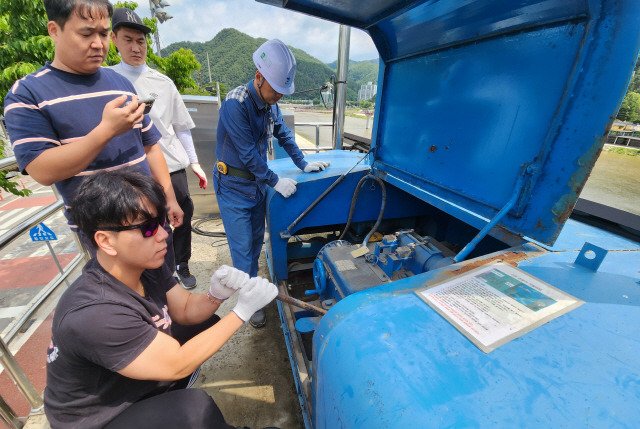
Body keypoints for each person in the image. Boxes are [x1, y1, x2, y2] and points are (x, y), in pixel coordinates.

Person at [44, 169, 278, 428]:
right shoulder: (95, 313)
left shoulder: (144, 267)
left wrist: (216, 295)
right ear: (106, 241)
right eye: (147, 228)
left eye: (162, 222)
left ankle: (161, 396)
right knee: (195, 409)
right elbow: (175, 364)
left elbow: (185, 310)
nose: (163, 234)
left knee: (206, 323)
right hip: (97, 419)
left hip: (127, 385)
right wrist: (242, 312)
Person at [3, 0, 183, 249]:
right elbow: (42, 170)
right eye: (86, 33)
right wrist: (106, 130)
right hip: (105, 238)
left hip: (153, 222)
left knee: (166, 286)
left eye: (103, 33)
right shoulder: (27, 93)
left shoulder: (120, 82)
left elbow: (150, 146)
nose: (98, 44)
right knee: (116, 289)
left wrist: (168, 198)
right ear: (54, 30)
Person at [215, 39, 329, 328]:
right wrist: (276, 181)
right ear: (258, 76)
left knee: (255, 244)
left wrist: (304, 163)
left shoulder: (270, 104)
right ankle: (247, 304)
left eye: (283, 90)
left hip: (255, 187)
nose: (279, 95)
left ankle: (251, 286)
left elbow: (285, 135)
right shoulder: (235, 103)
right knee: (242, 251)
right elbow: (248, 154)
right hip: (233, 188)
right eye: (275, 88)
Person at [108, 8, 206, 289]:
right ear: (114, 40)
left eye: (141, 41)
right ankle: (153, 273)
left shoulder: (163, 82)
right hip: (133, 170)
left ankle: (181, 264)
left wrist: (194, 162)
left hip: (172, 166)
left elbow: (181, 127)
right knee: (143, 223)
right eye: (128, 40)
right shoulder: (108, 81)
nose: (136, 47)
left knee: (181, 217)